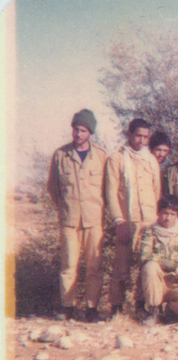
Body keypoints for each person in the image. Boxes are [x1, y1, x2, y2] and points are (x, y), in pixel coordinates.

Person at [47, 109, 108, 322]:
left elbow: (108, 188)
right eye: (76, 129)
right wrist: (66, 209)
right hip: (70, 220)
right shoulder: (60, 155)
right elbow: (53, 188)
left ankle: (92, 309)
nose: (78, 134)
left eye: (83, 130)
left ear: (90, 132)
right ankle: (67, 307)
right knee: (68, 265)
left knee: (94, 266)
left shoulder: (100, 156)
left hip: (94, 220)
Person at [105, 118, 161, 317]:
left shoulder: (151, 160)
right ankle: (116, 307)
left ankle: (141, 305)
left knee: (146, 263)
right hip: (126, 220)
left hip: (149, 221)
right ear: (129, 134)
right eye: (138, 136)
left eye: (146, 137)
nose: (142, 141)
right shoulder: (116, 159)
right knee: (121, 265)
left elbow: (156, 191)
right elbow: (111, 193)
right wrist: (118, 220)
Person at [137, 195, 178, 326]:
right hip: (156, 283)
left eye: (173, 214)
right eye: (165, 213)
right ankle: (154, 311)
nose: (168, 218)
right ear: (158, 213)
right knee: (151, 266)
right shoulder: (149, 231)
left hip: (176, 283)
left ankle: (170, 312)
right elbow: (145, 256)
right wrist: (175, 268)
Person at [149, 131, 173, 196]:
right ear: (150, 149)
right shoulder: (143, 165)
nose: (161, 154)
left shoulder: (171, 169)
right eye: (158, 150)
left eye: (165, 151)